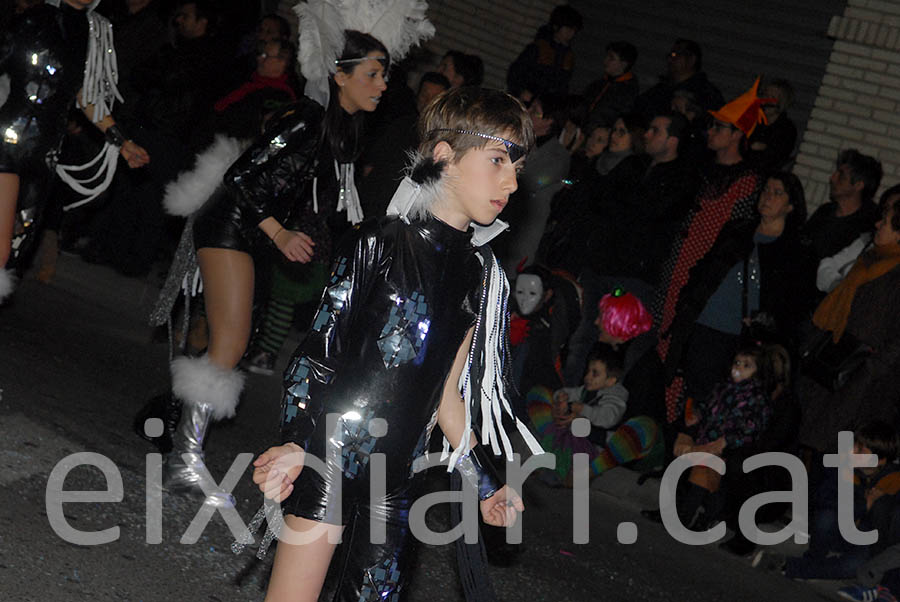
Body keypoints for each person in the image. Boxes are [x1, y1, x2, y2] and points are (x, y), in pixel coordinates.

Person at [249, 86, 543, 602]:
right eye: (498, 159)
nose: (511, 182)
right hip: (329, 456)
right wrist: (295, 441)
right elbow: (319, 350)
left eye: (516, 166)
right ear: (444, 155)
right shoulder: (378, 241)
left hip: (398, 482)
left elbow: (446, 398)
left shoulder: (477, 275)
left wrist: (486, 482)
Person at [155, 25, 421, 502]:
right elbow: (241, 175)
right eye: (374, 74)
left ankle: (174, 438)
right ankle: (184, 461)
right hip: (231, 226)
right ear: (340, 76)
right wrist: (280, 233)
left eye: (385, 75)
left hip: (248, 234)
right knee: (230, 345)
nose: (383, 85)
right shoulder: (307, 116)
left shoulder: (338, 129)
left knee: (231, 342)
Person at [0, 0, 150, 297]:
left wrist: (122, 142)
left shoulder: (93, 32)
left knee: (20, 243)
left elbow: (87, 95)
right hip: (6, 140)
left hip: (45, 153)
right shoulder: (34, 17)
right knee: (1, 247)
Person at [654, 78, 768, 426]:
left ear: (737, 135)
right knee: (659, 351)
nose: (711, 132)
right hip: (674, 272)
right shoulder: (700, 168)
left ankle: (673, 430)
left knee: (683, 358)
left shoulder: (748, 183)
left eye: (720, 127)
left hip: (701, 285)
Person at [796, 188, 900, 455]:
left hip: (861, 382)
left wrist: (870, 368)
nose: (877, 224)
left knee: (836, 456)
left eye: (886, 221)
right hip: (831, 364)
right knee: (807, 440)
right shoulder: (870, 257)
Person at [781, 421, 900, 581]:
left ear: (880, 460)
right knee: (826, 517)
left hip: (864, 542)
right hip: (837, 531)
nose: (852, 451)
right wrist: (864, 505)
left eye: (860, 450)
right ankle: (812, 558)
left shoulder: (893, 480)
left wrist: (875, 505)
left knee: (854, 566)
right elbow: (824, 499)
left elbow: (884, 530)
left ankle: (798, 567)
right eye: (854, 445)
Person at [529, 345, 628, 485]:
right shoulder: (586, 390)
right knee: (543, 403)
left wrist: (581, 409)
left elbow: (607, 418)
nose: (587, 377)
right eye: (588, 371)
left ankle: (562, 473)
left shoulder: (616, 396)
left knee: (570, 439)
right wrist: (561, 397)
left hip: (594, 446)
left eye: (595, 373)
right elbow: (569, 392)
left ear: (610, 381)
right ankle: (547, 464)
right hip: (574, 439)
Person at [506, 4, 583, 97]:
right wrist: (522, 91)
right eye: (568, 28)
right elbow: (515, 74)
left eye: (574, 30)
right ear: (556, 26)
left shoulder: (568, 56)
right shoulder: (538, 48)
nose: (571, 33)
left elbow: (563, 85)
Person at [583, 41, 639, 130]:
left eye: (611, 58)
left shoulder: (628, 91)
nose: (605, 61)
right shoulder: (599, 83)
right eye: (607, 56)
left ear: (624, 64)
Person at [746, 78, 798, 172]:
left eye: (772, 97)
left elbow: (778, 157)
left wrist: (764, 148)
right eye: (765, 95)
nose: (766, 100)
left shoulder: (787, 129)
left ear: (782, 102)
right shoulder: (753, 119)